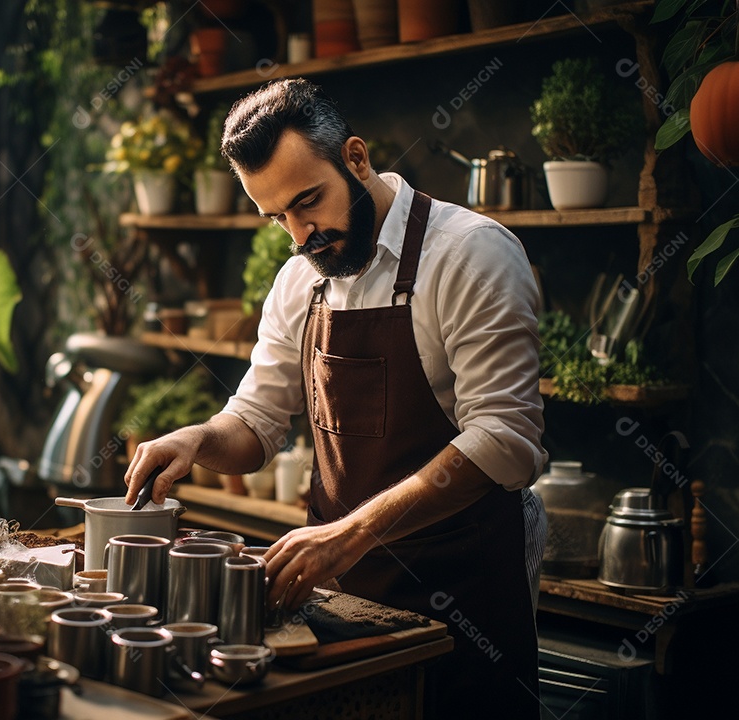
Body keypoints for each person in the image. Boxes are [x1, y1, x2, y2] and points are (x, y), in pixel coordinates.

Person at [124, 78, 547, 718]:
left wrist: (350, 533)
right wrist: (198, 439)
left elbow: (505, 441)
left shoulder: (469, 255)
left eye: (309, 202)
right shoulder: (301, 280)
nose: (301, 235)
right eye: (278, 218)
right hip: (342, 597)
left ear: (356, 157)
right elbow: (256, 424)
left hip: (458, 592)